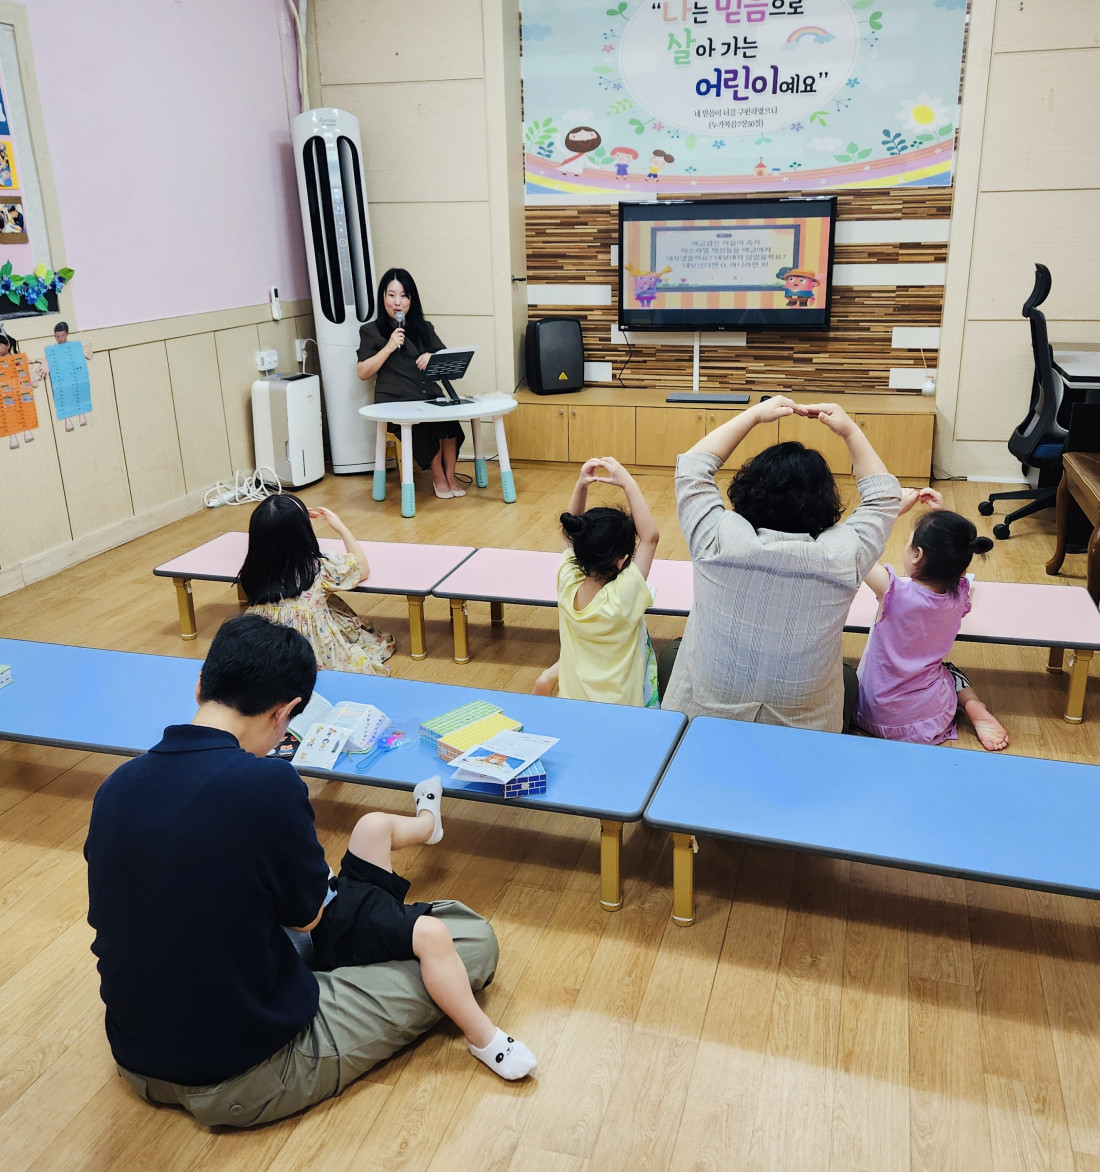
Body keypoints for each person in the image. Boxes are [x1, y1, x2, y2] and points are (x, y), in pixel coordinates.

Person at [84, 614, 512, 1129]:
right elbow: (307, 917)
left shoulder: (117, 786)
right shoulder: (267, 784)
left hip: (137, 1056)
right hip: (246, 1073)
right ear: (285, 712)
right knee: (466, 938)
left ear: (200, 685)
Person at [662, 396, 901, 732]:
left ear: (746, 491)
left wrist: (753, 415)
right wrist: (850, 431)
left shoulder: (715, 540)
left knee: (671, 654)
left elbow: (692, 467)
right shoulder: (845, 555)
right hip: (804, 732)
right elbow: (884, 496)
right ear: (826, 504)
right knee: (847, 676)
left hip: (701, 720)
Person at [856, 495, 1009, 750]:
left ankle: (972, 705)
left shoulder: (893, 593)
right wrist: (942, 516)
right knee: (950, 671)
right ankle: (973, 704)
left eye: (908, 543)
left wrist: (892, 511)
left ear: (918, 555)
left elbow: (858, 548)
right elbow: (954, 555)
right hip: (931, 716)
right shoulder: (959, 595)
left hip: (875, 714)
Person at [534, 456, 660, 707]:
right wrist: (628, 483)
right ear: (621, 561)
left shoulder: (567, 581)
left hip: (573, 707)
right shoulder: (622, 597)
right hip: (621, 713)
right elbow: (651, 537)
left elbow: (569, 535)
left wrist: (581, 484)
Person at [239, 493, 394, 674]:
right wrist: (342, 529)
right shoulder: (317, 569)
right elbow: (362, 569)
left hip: (264, 644)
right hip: (310, 648)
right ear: (303, 533)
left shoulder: (255, 568)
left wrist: (295, 519)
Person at [356, 268, 466, 499]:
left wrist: (432, 357)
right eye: (391, 295)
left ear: (411, 299)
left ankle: (451, 476)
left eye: (403, 296)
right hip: (394, 399)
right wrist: (388, 347)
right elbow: (363, 372)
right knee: (426, 424)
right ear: (383, 297)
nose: (397, 302)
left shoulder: (424, 328)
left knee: (449, 421)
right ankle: (438, 477)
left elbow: (445, 358)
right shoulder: (371, 331)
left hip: (426, 393)